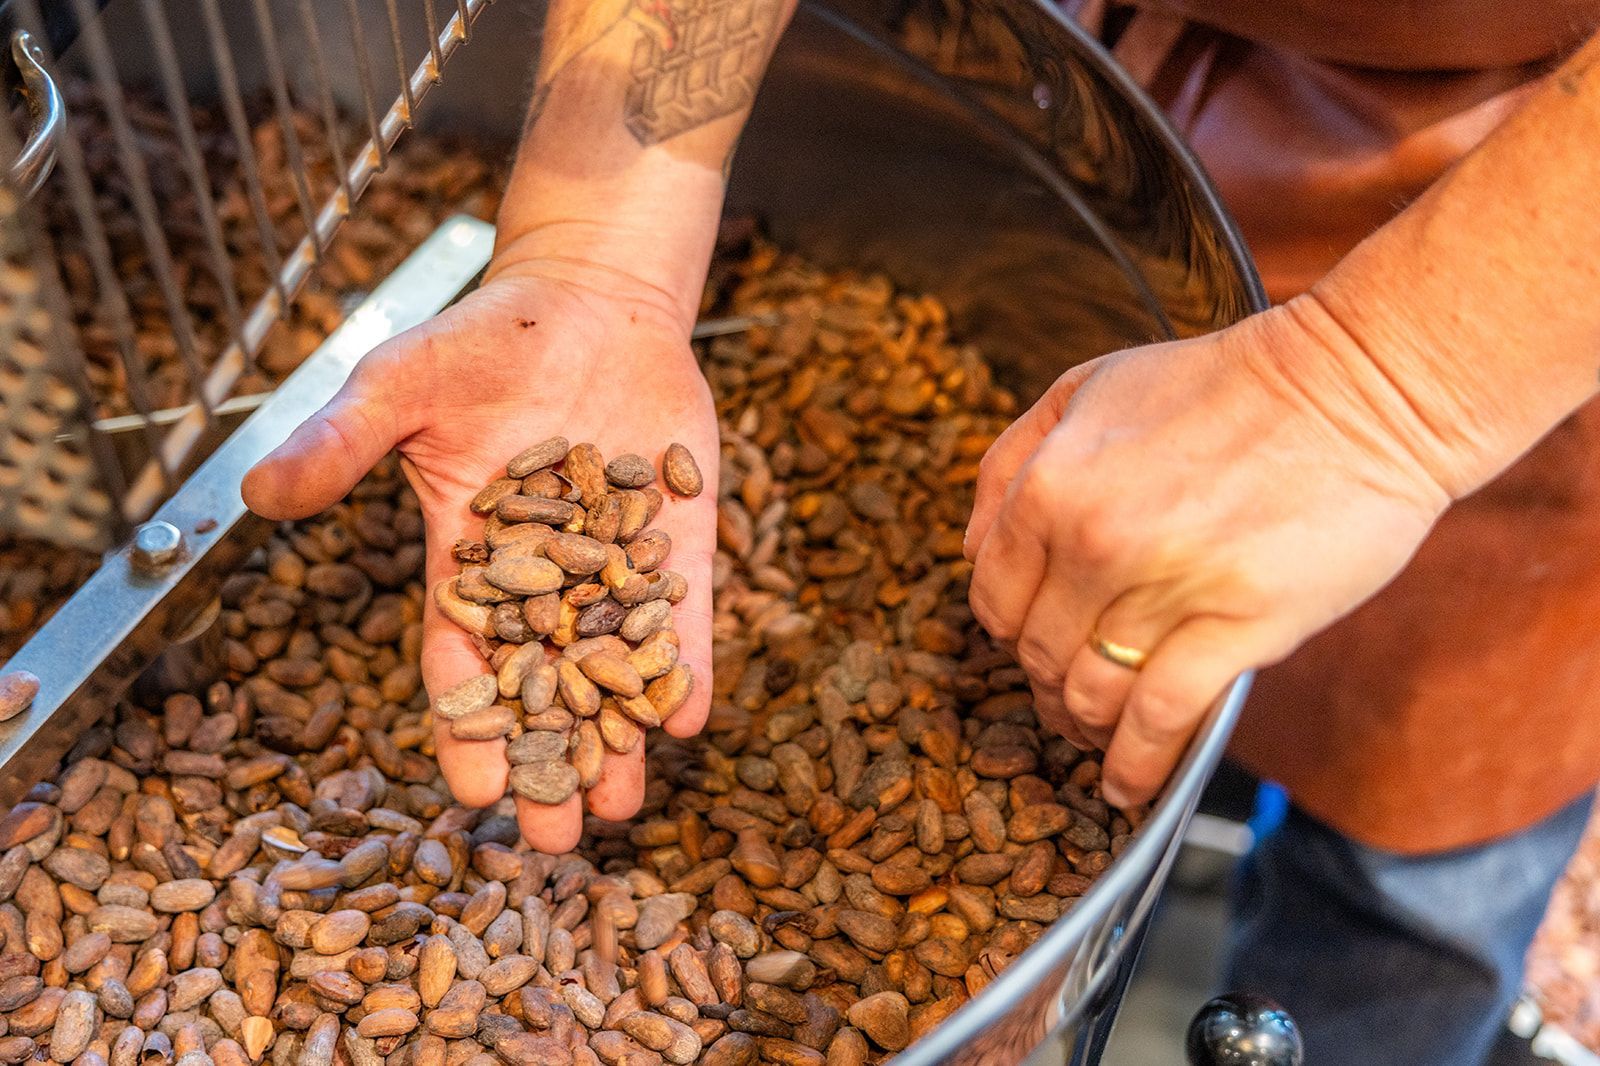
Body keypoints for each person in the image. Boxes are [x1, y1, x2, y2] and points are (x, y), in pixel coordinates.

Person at [241, 1, 1600, 1062]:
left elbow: (1404, 380)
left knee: (1429, 858)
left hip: (1531, 214)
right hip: (1141, 60)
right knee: (1119, 701)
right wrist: (602, 239)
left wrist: (1381, 387)